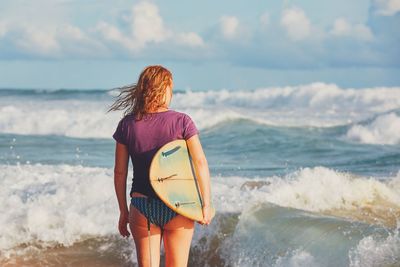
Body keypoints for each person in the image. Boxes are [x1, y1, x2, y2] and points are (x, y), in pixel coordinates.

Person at [108, 65, 213, 267]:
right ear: (164, 89)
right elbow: (200, 162)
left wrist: (123, 212)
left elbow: (119, 172)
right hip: (178, 205)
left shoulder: (127, 124)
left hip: (142, 206)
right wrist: (206, 204)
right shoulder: (182, 121)